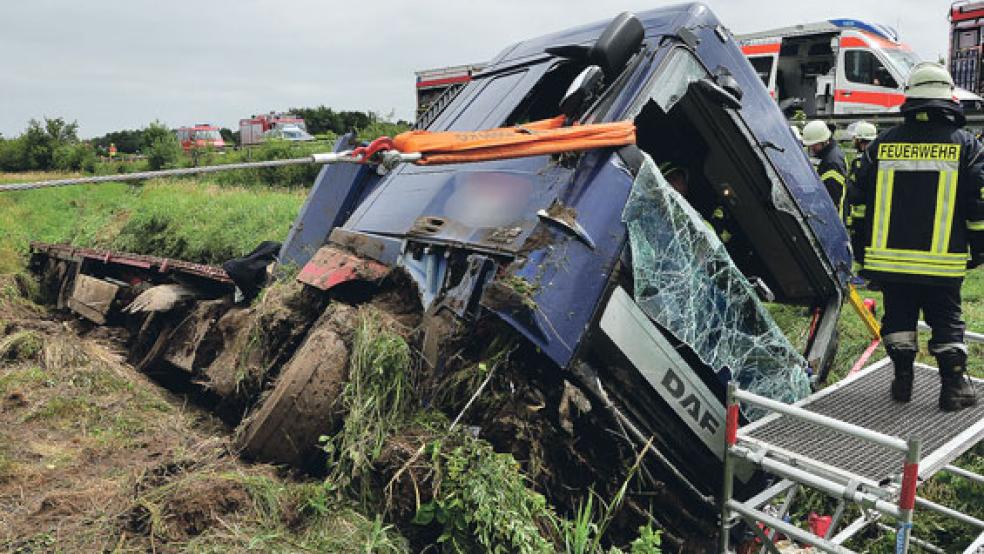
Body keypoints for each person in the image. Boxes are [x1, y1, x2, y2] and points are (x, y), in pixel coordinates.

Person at [854, 62, 984, 411]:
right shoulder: (967, 146)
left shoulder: (881, 145)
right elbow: (978, 206)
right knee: (946, 323)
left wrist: (861, 249)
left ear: (910, 99)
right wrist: (979, 249)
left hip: (889, 262)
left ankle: (902, 381)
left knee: (898, 321)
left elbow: (857, 202)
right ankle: (953, 389)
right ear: (948, 99)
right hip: (943, 264)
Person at [801, 120, 848, 223]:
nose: (811, 148)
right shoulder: (828, 154)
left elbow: (830, 200)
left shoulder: (832, 163)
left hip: (831, 221)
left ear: (824, 141)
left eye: (814, 145)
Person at [846, 121, 878, 269]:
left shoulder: (861, 162)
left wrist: (848, 187)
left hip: (862, 214)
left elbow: (855, 190)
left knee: (861, 246)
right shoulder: (878, 159)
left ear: (860, 140)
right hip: (875, 214)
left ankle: (866, 274)